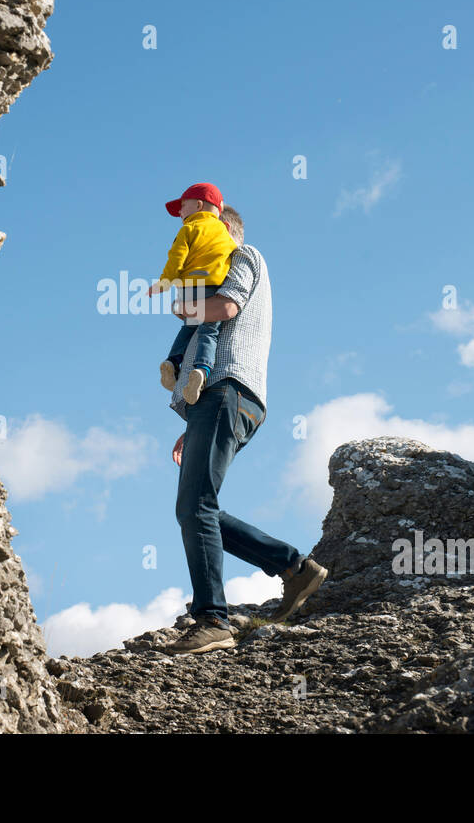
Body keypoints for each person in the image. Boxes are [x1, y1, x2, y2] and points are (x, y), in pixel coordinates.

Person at [161, 203, 328, 655]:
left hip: (226, 393)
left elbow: (226, 306)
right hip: (220, 401)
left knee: (195, 507)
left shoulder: (242, 255)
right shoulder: (224, 265)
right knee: (196, 509)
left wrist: (182, 304)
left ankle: (212, 619)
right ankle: (293, 568)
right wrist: (191, 424)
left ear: (223, 232)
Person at [147, 182, 237, 405]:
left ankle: (172, 361)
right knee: (209, 330)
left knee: (189, 326)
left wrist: (164, 283)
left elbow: (176, 258)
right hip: (212, 286)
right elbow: (232, 257)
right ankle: (202, 370)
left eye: (182, 206)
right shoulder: (224, 233)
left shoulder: (188, 229)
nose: (179, 212)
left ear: (198, 205)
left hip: (188, 288)